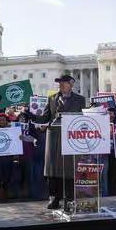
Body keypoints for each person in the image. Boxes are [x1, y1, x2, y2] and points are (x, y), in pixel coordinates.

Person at [34, 74, 86, 211]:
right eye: (59, 83)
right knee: (52, 170)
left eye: (64, 82)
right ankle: (54, 198)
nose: (60, 85)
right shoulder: (52, 98)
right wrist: (38, 122)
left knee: (69, 171)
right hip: (53, 138)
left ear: (71, 84)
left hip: (70, 139)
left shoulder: (80, 100)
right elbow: (45, 117)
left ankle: (69, 199)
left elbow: (83, 119)